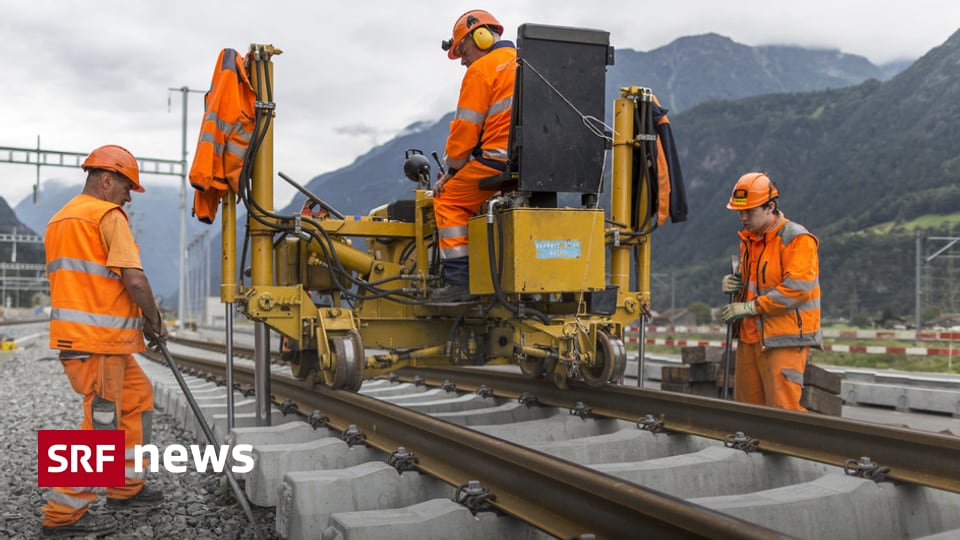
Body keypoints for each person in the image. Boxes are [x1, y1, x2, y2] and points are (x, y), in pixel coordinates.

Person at [41, 144, 169, 536]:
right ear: (107, 180)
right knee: (101, 426)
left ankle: (125, 485)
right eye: (128, 188)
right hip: (98, 342)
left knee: (137, 397)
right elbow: (134, 279)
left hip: (87, 341)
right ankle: (60, 516)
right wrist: (154, 320)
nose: (129, 197)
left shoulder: (59, 220)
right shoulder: (107, 215)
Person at [432, 9, 517, 302]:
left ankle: (459, 283)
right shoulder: (528, 63)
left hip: (497, 160)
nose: (463, 60)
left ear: (479, 37)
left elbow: (465, 132)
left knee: (448, 200)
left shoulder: (482, 70)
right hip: (533, 165)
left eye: (463, 50)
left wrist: (451, 172)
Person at [719, 172, 821, 411]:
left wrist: (749, 307)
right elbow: (756, 281)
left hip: (783, 339)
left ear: (770, 207)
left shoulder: (796, 239)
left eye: (749, 211)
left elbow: (798, 289)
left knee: (782, 410)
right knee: (748, 412)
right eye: (739, 212)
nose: (742, 218)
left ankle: (787, 449)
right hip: (749, 337)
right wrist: (736, 282)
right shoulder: (750, 241)